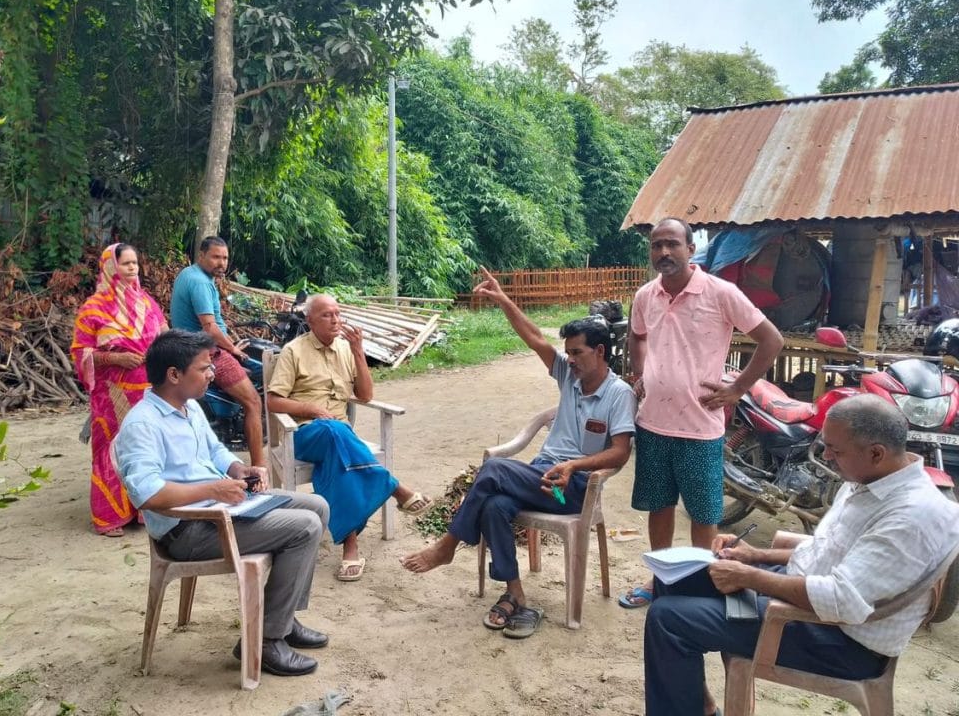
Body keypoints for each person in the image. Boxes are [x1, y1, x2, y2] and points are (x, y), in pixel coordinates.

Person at [643, 395, 959, 716]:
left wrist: (750, 577)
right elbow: (825, 547)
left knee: (669, 620)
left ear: (876, 452)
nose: (827, 458)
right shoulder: (869, 480)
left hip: (832, 640)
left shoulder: (909, 516)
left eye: (835, 451)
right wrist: (754, 556)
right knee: (677, 579)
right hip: (802, 603)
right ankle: (699, 708)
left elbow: (841, 601)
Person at [400, 267, 636, 638]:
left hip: (572, 488)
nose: (569, 359)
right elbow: (533, 337)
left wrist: (574, 465)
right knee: (494, 506)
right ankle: (515, 594)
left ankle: (448, 544)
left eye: (577, 353)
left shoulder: (619, 394)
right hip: (540, 477)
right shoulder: (568, 377)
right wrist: (503, 298)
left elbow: (620, 453)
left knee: (492, 471)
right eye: (567, 353)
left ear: (600, 351)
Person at [114, 329, 330, 677]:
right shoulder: (143, 424)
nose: (212, 374)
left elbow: (213, 450)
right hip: (186, 531)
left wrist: (236, 467)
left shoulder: (188, 408)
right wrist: (212, 491)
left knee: (317, 506)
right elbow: (147, 494)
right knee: (304, 527)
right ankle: (265, 641)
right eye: (203, 369)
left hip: (220, 511)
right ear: (174, 375)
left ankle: (283, 619)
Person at [620, 218, 784, 609]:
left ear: (691, 249)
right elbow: (636, 335)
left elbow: (771, 340)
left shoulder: (720, 292)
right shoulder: (645, 296)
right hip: (653, 423)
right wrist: (640, 373)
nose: (663, 252)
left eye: (672, 244)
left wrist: (738, 388)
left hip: (700, 428)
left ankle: (701, 585)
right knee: (659, 507)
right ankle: (661, 581)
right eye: (657, 245)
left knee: (702, 513)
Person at [266, 293, 433, 582]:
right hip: (305, 434)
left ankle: (351, 545)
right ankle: (393, 487)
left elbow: (366, 395)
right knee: (334, 431)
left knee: (340, 453)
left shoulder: (346, 348)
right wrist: (310, 409)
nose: (335, 320)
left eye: (338, 314)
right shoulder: (294, 351)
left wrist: (358, 351)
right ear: (310, 321)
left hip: (339, 438)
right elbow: (273, 401)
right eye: (326, 315)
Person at [71, 243, 167, 537]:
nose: (132, 268)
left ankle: (145, 510)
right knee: (111, 449)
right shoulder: (93, 308)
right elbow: (80, 352)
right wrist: (116, 358)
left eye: (135, 263)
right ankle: (109, 515)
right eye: (125, 263)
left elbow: (165, 336)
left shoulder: (147, 303)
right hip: (112, 394)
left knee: (146, 447)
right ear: (111, 266)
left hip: (149, 391)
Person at [170, 236, 264, 469]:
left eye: (224, 258)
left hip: (188, 347)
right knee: (253, 402)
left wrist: (231, 343)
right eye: (215, 257)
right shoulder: (201, 282)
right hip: (206, 351)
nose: (221, 263)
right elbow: (210, 327)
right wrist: (231, 348)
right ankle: (259, 467)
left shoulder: (189, 274)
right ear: (201, 256)